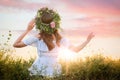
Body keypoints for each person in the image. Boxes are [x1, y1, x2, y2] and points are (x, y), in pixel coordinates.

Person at [13, 7, 94, 77]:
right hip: (50, 70)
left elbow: (16, 44)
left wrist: (28, 30)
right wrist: (87, 41)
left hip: (40, 70)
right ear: (56, 25)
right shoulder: (59, 39)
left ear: (41, 26)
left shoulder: (38, 38)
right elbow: (76, 50)